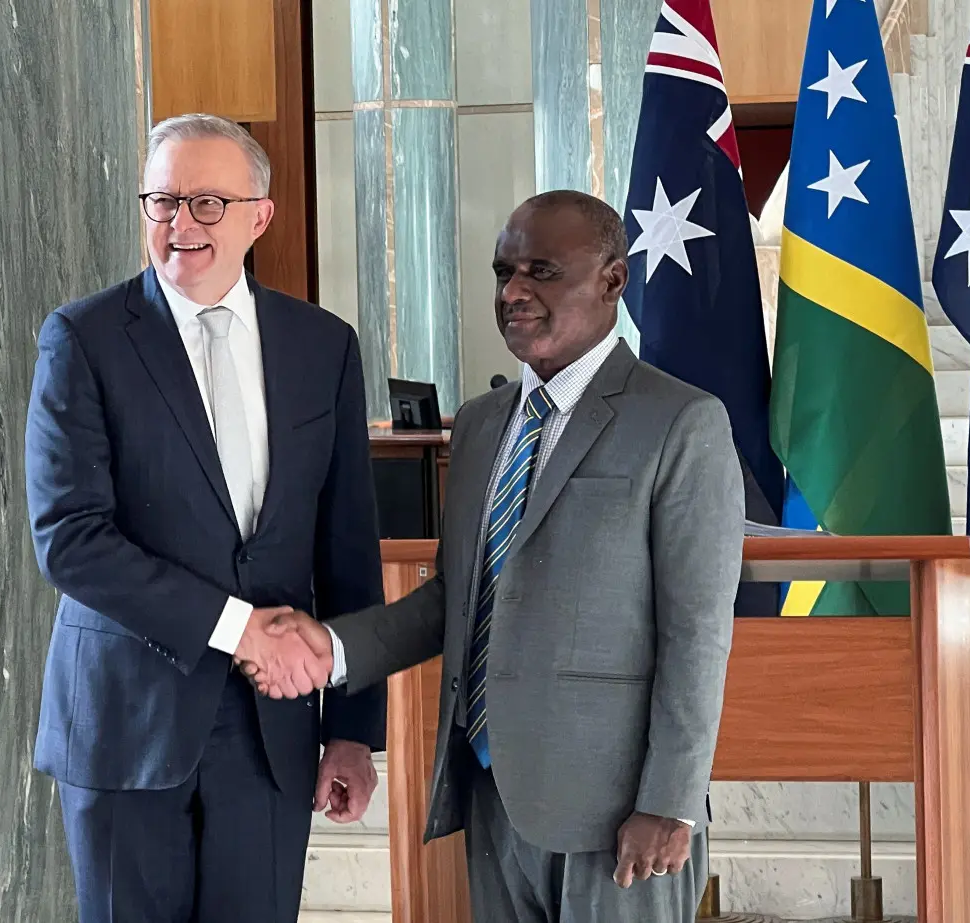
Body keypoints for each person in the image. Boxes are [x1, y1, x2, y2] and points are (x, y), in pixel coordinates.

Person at [241, 190, 746, 922]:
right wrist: (331, 647)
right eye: (502, 271)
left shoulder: (682, 422)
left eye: (542, 271)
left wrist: (670, 799)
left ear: (613, 278)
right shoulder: (480, 424)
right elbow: (457, 597)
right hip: (492, 793)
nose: (514, 292)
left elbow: (698, 633)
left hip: (618, 816)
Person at [24, 113, 387, 923]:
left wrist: (355, 729)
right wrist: (239, 627)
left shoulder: (323, 346)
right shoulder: (82, 339)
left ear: (260, 214)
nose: (180, 224)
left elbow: (347, 549)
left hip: (271, 732)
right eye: (163, 201)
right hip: (125, 724)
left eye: (207, 203)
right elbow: (70, 540)